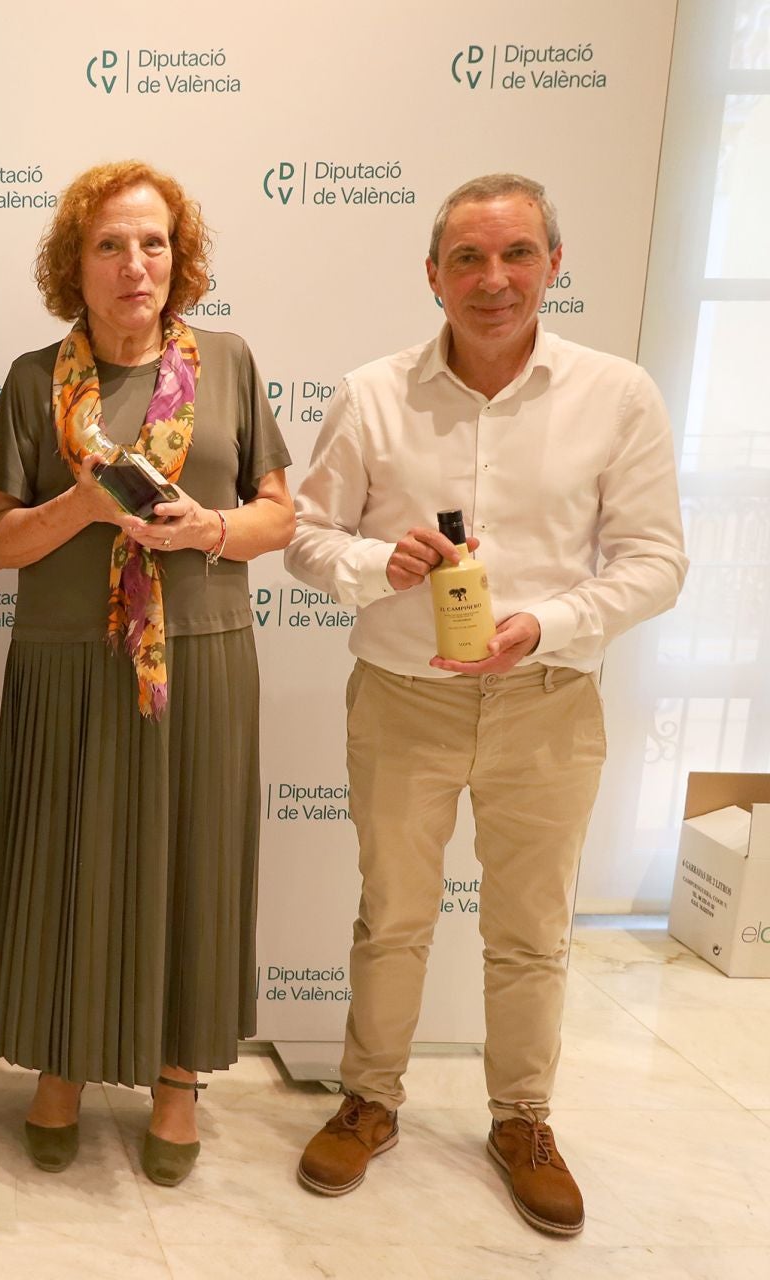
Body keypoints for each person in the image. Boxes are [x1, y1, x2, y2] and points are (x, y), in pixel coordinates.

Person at [285, 173, 687, 1236]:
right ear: (432, 276)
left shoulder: (618, 393)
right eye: (466, 257)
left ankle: (522, 1117)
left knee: (530, 929)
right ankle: (370, 1098)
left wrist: (546, 624)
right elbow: (309, 539)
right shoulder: (374, 393)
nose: (492, 278)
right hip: (404, 697)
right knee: (395, 915)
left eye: (515, 254)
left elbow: (657, 563)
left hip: (549, 697)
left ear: (554, 264)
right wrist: (383, 563)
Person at [0, 161, 293, 1187]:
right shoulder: (33, 380)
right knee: (67, 862)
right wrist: (84, 506)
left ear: (179, 259)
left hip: (198, 660)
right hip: (67, 661)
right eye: (110, 244)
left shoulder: (231, 363)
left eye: (152, 242)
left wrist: (215, 528)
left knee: (192, 865)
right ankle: (61, 1062)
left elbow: (280, 514)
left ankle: (177, 1078)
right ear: (77, 264)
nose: (134, 263)